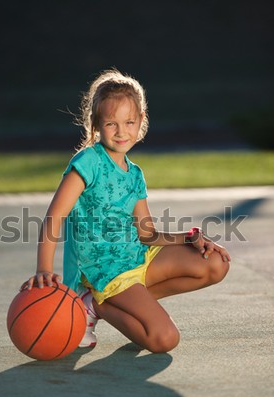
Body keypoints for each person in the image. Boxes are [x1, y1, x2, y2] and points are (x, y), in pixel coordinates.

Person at [21, 69, 230, 353]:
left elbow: (147, 234)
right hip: (106, 270)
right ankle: (95, 305)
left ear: (141, 120)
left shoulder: (134, 174)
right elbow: (54, 217)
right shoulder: (88, 162)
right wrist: (44, 268)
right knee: (165, 339)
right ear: (96, 124)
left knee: (216, 264)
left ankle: (105, 304)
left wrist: (191, 236)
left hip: (138, 256)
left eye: (129, 122)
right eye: (111, 123)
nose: (122, 132)